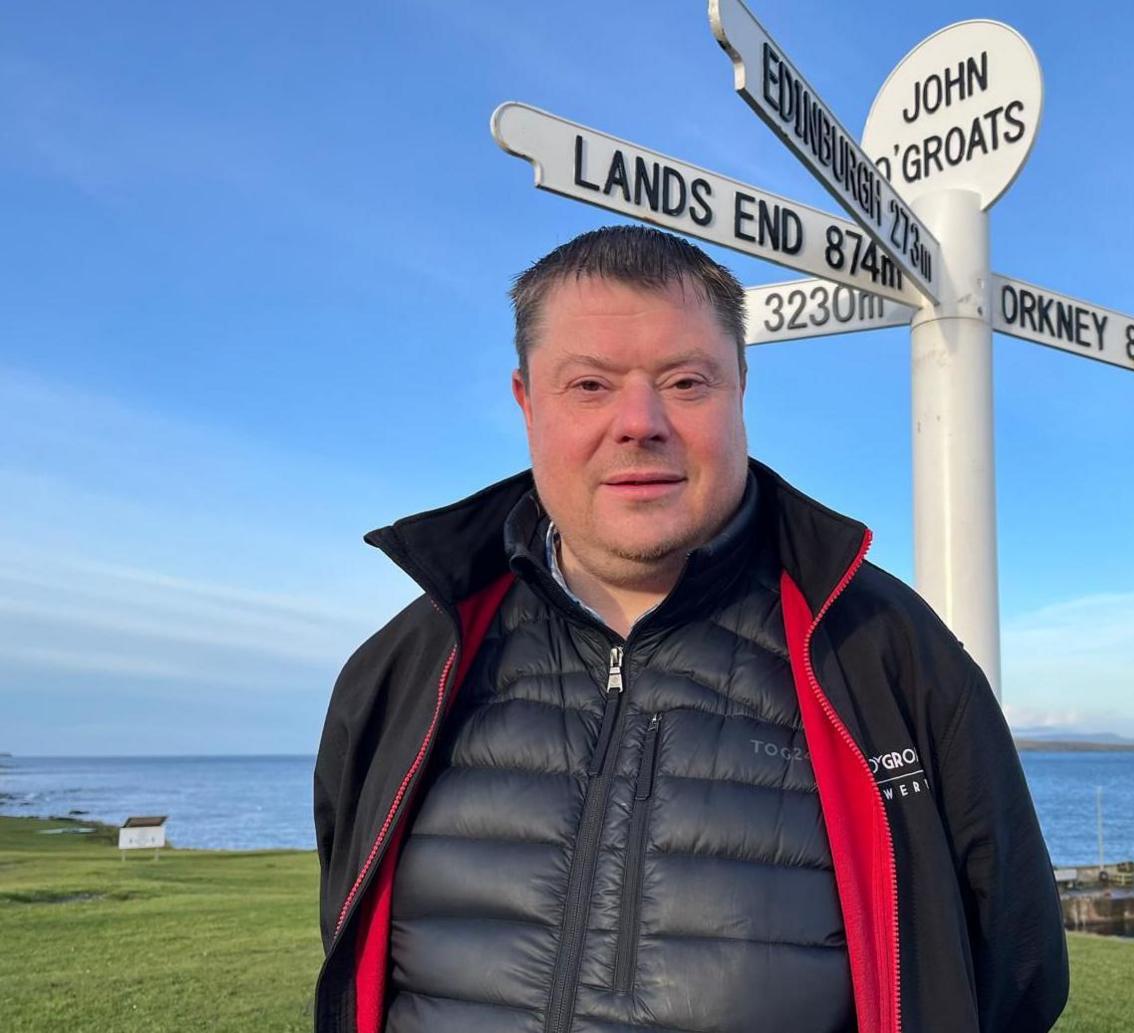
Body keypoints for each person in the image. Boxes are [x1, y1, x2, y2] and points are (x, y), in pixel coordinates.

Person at [313, 225, 1068, 1033]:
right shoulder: (410, 664)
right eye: (590, 386)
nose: (639, 422)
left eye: (684, 381)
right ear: (528, 402)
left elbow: (1014, 975)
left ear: (740, 387)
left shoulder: (885, 654)